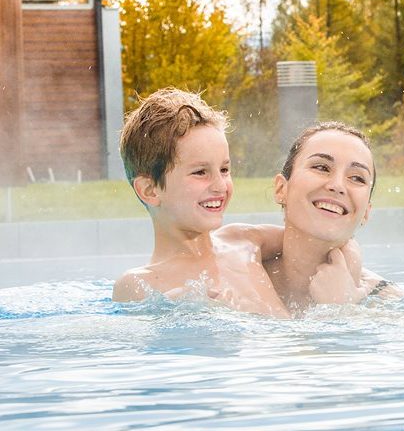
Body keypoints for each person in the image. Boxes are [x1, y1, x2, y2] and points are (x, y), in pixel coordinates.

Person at [112, 88, 290, 317]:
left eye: (224, 169)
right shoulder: (139, 284)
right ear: (149, 190)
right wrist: (184, 310)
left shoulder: (244, 240)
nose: (220, 185)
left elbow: (318, 240)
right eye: (200, 172)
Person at [264, 121, 398, 313]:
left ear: (366, 213)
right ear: (281, 189)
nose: (338, 185)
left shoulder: (387, 303)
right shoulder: (233, 278)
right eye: (321, 167)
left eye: (357, 178)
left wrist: (342, 310)